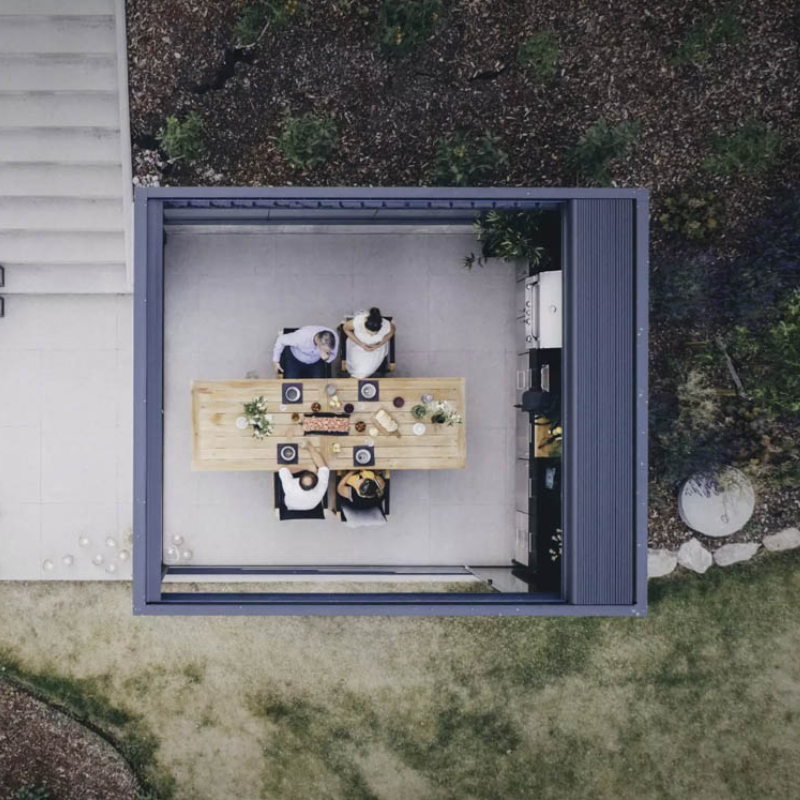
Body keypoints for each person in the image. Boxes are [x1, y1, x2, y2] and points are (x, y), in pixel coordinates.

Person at [342, 308, 395, 378]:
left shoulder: (387, 325)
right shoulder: (358, 322)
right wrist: (361, 344)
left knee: (363, 372)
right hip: (357, 344)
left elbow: (391, 333)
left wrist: (378, 345)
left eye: (374, 333)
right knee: (353, 364)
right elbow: (345, 329)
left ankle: (355, 378)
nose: (371, 335)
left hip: (375, 350)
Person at [278, 441, 329, 512]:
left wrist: (306, 467)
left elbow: (283, 468)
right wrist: (310, 447)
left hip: (291, 505)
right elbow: (323, 467)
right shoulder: (321, 487)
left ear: (298, 480)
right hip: (311, 506)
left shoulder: (290, 487)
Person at [273, 326, 339, 379]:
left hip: (315, 361)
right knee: (290, 384)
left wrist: (327, 358)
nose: (326, 352)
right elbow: (281, 340)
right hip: (295, 358)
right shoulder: (301, 337)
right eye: (325, 350)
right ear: (318, 344)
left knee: (319, 384)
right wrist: (276, 361)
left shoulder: (334, 338)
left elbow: (333, 354)